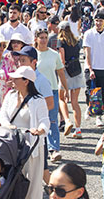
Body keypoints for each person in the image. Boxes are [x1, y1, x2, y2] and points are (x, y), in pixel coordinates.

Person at [0, 66, 50, 199]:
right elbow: (3, 114)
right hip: (12, 143)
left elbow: (45, 120)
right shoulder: (10, 95)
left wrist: (40, 130)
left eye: (16, 78)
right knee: (10, 178)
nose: (12, 80)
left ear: (26, 81)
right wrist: (8, 126)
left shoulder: (38, 100)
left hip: (31, 145)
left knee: (32, 181)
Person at [35, 28, 69, 162]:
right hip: (36, 91)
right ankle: (38, 147)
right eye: (41, 37)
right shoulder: (33, 54)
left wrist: (65, 88)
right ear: (36, 39)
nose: (43, 40)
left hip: (52, 90)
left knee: (52, 120)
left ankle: (54, 149)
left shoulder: (54, 54)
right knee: (36, 119)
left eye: (45, 37)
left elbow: (61, 73)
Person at [83, 12, 104, 127]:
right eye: (96, 21)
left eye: (100, 21)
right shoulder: (88, 34)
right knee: (90, 91)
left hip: (103, 67)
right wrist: (90, 69)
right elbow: (87, 53)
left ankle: (98, 116)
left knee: (101, 93)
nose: (98, 23)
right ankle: (89, 107)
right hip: (91, 67)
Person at [57, 21, 85, 139]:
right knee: (75, 102)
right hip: (77, 71)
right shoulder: (76, 40)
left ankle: (67, 120)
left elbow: (61, 59)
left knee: (62, 98)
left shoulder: (61, 41)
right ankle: (78, 129)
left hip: (66, 72)